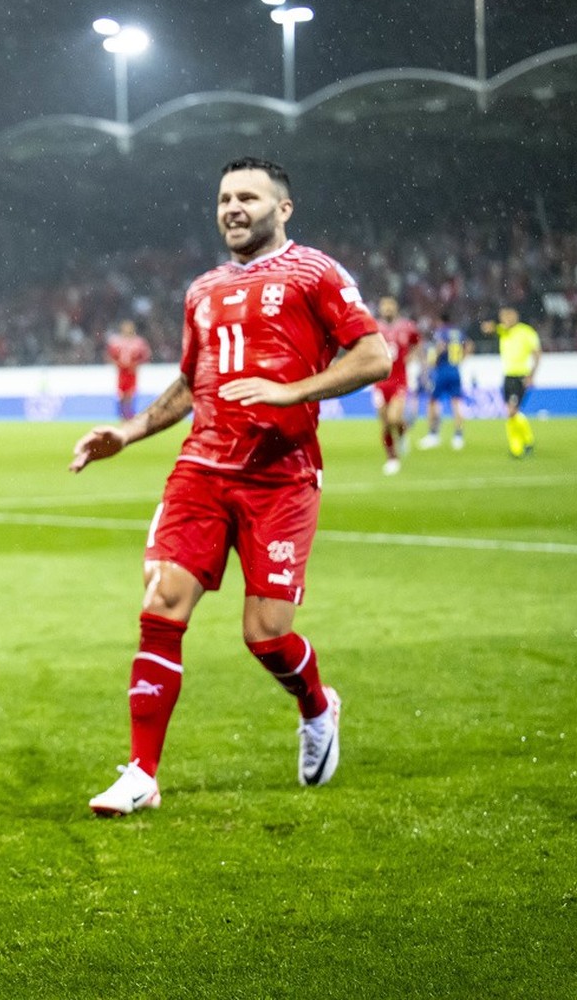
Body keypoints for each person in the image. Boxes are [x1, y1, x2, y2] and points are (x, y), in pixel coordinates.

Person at [68, 157, 390, 817]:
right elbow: (191, 383)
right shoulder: (203, 289)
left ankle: (316, 705)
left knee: (266, 635)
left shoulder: (316, 273)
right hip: (202, 468)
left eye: (248, 196)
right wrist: (127, 434)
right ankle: (142, 773)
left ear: (284, 208)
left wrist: (291, 389)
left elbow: (374, 355)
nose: (233, 208)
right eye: (224, 198)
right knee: (162, 602)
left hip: (281, 475)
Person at [481, 306, 541, 458]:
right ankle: (523, 442)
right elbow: (487, 329)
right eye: (503, 318)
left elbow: (537, 354)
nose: (505, 320)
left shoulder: (526, 332)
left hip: (520, 376)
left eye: (508, 317)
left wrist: (531, 375)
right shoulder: (503, 330)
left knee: (512, 411)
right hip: (507, 377)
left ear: (515, 317)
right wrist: (488, 325)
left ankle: (520, 445)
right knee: (510, 412)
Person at [372, 296, 421, 475]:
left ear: (396, 308)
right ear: (380, 309)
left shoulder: (407, 326)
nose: (387, 309)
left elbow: (417, 342)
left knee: (394, 418)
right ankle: (392, 458)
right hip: (379, 383)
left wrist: (412, 357)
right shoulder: (374, 327)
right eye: (384, 307)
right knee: (385, 423)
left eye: (390, 306)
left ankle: (402, 433)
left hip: (399, 381)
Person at [419, 313, 468, 450]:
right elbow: (469, 346)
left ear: (440, 321)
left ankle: (433, 434)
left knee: (433, 402)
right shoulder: (458, 332)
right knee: (457, 402)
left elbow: (440, 347)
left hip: (442, 371)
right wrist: (461, 360)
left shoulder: (440, 332)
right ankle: (458, 436)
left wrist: (433, 362)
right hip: (455, 369)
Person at [106, 319, 152, 422]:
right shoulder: (116, 341)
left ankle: (129, 415)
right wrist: (117, 364)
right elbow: (109, 356)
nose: (127, 330)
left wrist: (136, 365)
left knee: (130, 395)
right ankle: (122, 416)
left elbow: (145, 356)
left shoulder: (139, 342)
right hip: (122, 372)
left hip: (132, 372)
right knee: (121, 395)